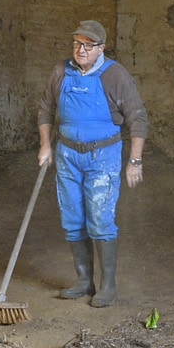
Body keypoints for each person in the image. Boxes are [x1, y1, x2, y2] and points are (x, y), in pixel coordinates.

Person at [37, 19, 149, 307]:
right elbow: (46, 108)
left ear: (102, 48)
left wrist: (134, 161)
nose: (81, 50)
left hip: (103, 156)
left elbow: (137, 117)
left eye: (88, 45)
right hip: (67, 155)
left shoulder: (115, 75)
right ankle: (84, 281)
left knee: (100, 220)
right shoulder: (61, 72)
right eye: (77, 43)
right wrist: (46, 146)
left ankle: (107, 286)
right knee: (73, 220)